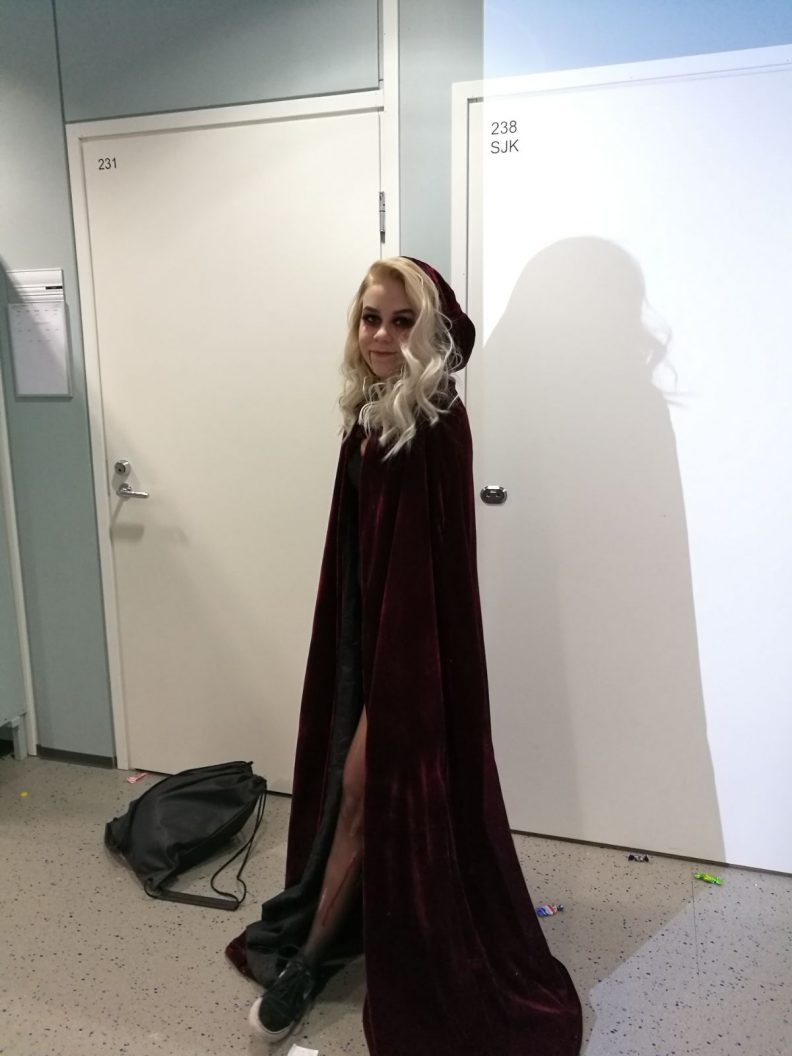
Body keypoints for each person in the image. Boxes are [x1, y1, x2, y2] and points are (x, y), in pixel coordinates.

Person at [227, 257, 583, 1056]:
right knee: (352, 792)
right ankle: (336, 933)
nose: (382, 336)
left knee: (365, 793)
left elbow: (429, 574)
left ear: (429, 331)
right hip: (374, 641)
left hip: (413, 658)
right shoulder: (373, 414)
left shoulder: (433, 419)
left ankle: (308, 965)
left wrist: (397, 682)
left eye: (400, 321)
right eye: (370, 319)